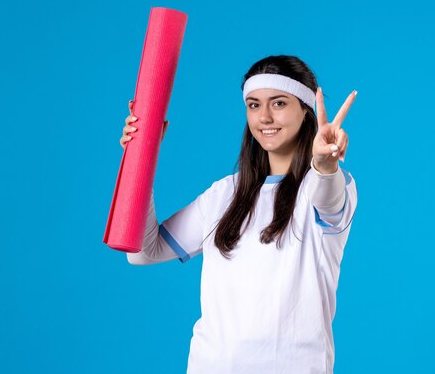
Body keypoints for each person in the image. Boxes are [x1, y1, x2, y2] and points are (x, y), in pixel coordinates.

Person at [119, 55, 358, 374]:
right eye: (254, 104)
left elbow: (328, 197)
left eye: (279, 103)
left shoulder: (321, 187)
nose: (265, 117)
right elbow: (143, 251)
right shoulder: (224, 194)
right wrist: (140, 156)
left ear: (305, 110)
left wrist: (326, 164)